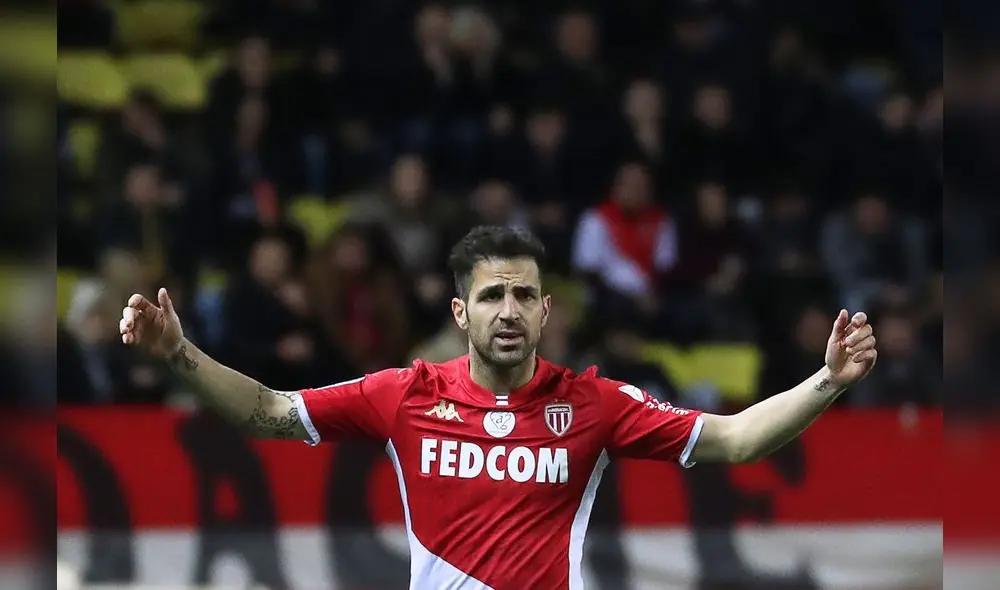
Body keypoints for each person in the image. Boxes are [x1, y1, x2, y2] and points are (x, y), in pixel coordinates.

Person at [118, 225, 878, 590]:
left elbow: (738, 440)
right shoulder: (405, 395)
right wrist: (180, 354)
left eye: (522, 295)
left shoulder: (597, 404)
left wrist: (829, 381)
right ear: (461, 312)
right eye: (491, 296)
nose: (508, 310)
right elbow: (266, 412)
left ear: (546, 311)